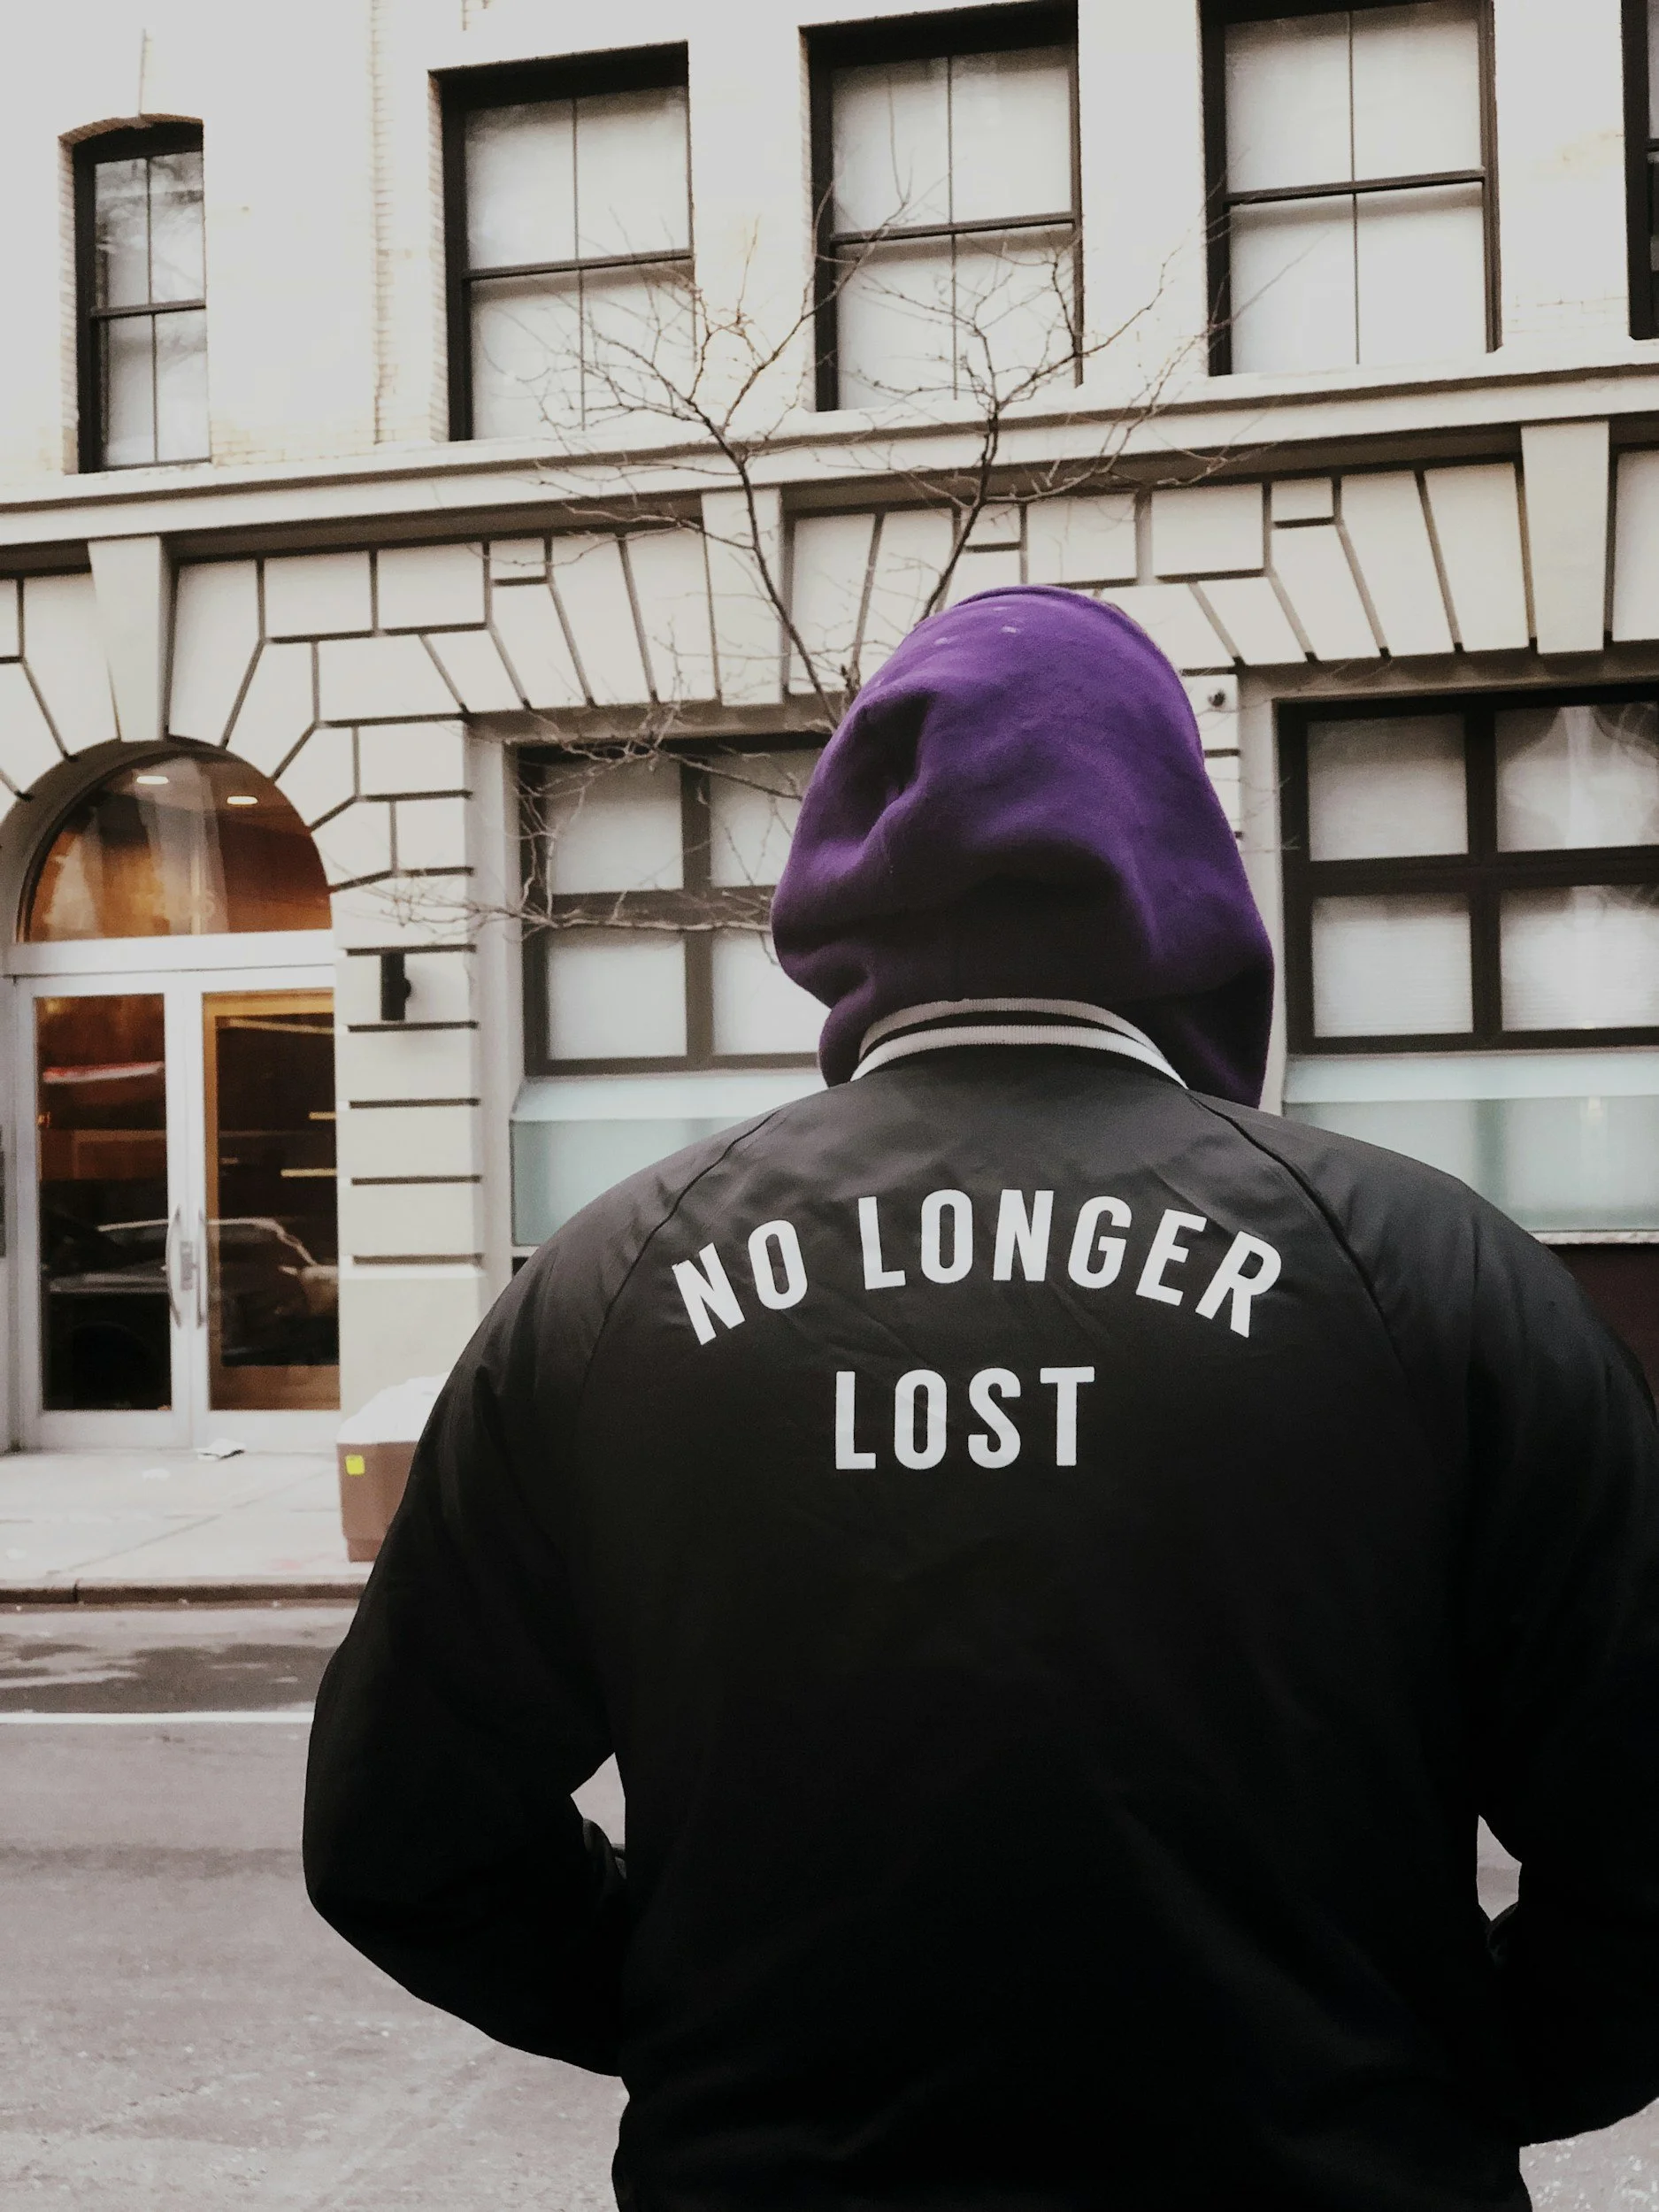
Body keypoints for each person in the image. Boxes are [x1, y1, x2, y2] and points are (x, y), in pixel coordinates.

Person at [304, 587, 1659, 2212]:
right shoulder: (1432, 1273)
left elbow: (403, 1831)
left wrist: (698, 2031)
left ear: (848, 875)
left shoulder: (607, 1290)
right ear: (1179, 873)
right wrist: (1441, 2079)